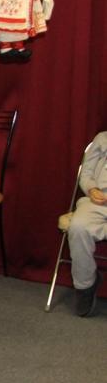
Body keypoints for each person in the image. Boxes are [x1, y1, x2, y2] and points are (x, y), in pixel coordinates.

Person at [68, 131, 107, 317]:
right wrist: (91, 189)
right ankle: (85, 286)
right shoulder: (102, 139)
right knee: (78, 227)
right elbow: (86, 173)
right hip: (97, 202)